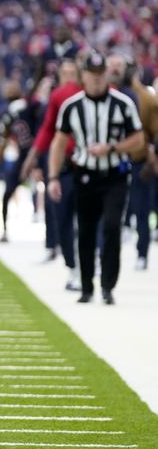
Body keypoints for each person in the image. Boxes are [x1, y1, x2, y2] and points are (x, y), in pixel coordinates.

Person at [47, 52, 145, 305]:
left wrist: (112, 149)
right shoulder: (72, 106)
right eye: (92, 74)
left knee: (112, 226)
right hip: (85, 175)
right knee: (86, 230)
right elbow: (58, 143)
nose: (97, 79)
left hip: (114, 175)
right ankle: (87, 285)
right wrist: (54, 176)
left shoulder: (123, 103)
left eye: (101, 74)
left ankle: (108, 285)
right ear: (84, 76)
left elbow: (138, 140)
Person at [21, 58, 82, 290]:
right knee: (62, 214)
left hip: (88, 164)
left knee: (88, 217)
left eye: (71, 72)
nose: (68, 76)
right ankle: (71, 265)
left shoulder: (90, 93)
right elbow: (47, 130)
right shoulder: (57, 97)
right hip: (62, 164)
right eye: (64, 72)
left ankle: (87, 261)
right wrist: (33, 157)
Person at [0, 79, 44, 242]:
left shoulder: (30, 104)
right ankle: (5, 231)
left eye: (13, 87)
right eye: (7, 88)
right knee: (7, 192)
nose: (10, 90)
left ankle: (55, 235)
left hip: (41, 151)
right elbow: (3, 139)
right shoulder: (5, 113)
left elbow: (34, 94)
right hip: (24, 155)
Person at [124, 61, 158, 270]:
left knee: (141, 208)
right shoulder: (110, 93)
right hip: (119, 158)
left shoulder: (146, 98)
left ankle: (141, 251)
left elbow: (155, 134)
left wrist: (152, 159)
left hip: (137, 158)